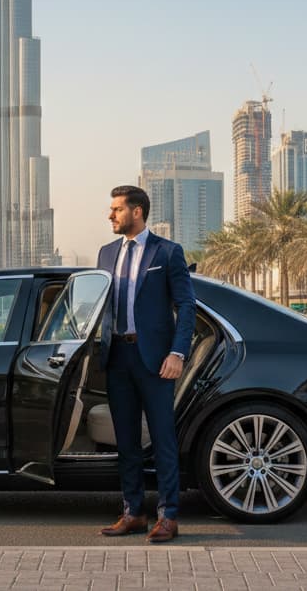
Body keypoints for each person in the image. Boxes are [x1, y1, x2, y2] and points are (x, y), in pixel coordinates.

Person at [97, 185, 195, 543]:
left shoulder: (167, 252)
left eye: (116, 209)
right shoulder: (106, 254)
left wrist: (177, 353)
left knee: (163, 439)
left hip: (155, 359)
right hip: (117, 357)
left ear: (137, 212)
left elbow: (186, 306)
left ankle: (168, 515)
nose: (111, 215)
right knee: (126, 442)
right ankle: (133, 512)